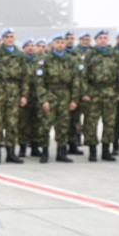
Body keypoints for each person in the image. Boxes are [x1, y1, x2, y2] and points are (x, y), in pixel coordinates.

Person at [80, 29, 119, 162]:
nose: (103, 40)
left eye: (105, 38)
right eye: (100, 38)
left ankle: (106, 151)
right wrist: (85, 93)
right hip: (94, 93)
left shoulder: (115, 55)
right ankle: (92, 151)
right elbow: (83, 77)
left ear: (108, 40)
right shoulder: (90, 55)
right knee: (91, 123)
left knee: (109, 123)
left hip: (110, 94)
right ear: (96, 40)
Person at [35, 33, 79, 163]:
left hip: (65, 96)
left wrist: (74, 99)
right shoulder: (45, 60)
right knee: (45, 125)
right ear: (53, 44)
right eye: (57, 42)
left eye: (62, 42)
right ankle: (44, 152)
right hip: (50, 94)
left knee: (63, 126)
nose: (60, 44)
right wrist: (44, 100)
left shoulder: (71, 60)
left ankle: (61, 152)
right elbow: (40, 82)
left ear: (65, 44)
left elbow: (76, 81)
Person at [0, 28, 29, 164]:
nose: (10, 39)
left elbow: (25, 76)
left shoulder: (19, 54)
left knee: (12, 123)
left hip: (14, 92)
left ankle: (11, 153)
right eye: (7, 37)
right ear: (3, 39)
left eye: (11, 36)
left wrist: (24, 95)